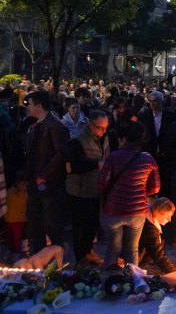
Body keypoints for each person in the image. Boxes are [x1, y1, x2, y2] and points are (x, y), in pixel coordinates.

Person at [98, 121, 161, 266]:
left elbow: (102, 183)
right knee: (132, 250)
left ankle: (110, 282)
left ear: (124, 139)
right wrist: (139, 192)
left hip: (113, 210)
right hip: (136, 211)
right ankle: (133, 282)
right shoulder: (147, 159)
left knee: (112, 249)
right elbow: (156, 187)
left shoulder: (113, 157)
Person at [24, 91, 69, 255]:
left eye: (29, 104)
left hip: (50, 184)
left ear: (39, 106)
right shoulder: (36, 125)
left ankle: (54, 260)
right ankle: (39, 257)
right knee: (36, 222)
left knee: (52, 224)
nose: (28, 107)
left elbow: (61, 153)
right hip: (37, 182)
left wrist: (44, 175)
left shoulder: (55, 125)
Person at [65, 110, 111, 266]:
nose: (103, 131)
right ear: (90, 124)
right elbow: (72, 166)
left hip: (95, 190)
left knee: (92, 225)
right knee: (81, 227)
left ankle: (88, 252)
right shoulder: (77, 140)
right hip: (79, 191)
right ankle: (80, 259)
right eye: (100, 128)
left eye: (106, 128)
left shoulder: (104, 137)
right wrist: (96, 164)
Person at [138, 197, 176, 274]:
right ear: (159, 212)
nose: (169, 220)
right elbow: (158, 254)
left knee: (160, 242)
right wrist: (173, 273)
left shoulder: (147, 213)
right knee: (157, 245)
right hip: (130, 255)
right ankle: (135, 268)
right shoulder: (149, 228)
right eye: (167, 216)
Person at [5, 172, 28, 253]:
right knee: (12, 236)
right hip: (10, 219)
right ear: (17, 183)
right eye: (23, 184)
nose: (25, 186)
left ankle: (17, 251)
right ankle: (13, 251)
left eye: (26, 184)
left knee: (17, 237)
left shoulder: (25, 194)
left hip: (19, 219)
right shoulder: (11, 192)